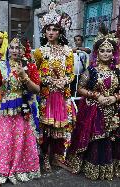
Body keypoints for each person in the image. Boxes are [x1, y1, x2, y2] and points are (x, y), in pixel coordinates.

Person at [66, 26, 120, 180]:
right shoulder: (91, 70)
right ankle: (93, 168)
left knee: (114, 139)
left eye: (109, 51)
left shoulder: (118, 70)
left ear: (113, 53)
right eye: (102, 50)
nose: (105, 53)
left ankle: (113, 167)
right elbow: (80, 88)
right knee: (97, 140)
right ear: (97, 52)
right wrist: (97, 96)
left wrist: (116, 97)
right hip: (94, 111)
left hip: (114, 111)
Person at [0, 37, 41, 186]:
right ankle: (1, 170)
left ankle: (22, 167)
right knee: (6, 140)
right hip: (7, 109)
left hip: (24, 108)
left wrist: (25, 77)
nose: (15, 50)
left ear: (24, 50)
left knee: (22, 139)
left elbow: (37, 89)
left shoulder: (29, 66)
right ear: (8, 49)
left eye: (18, 48)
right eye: (12, 47)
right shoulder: (3, 66)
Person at [34, 0, 76, 171]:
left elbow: (70, 73)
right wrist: (47, 80)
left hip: (62, 94)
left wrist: (65, 81)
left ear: (60, 31)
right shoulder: (39, 52)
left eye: (55, 29)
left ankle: (58, 157)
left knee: (61, 127)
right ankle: (45, 158)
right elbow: (34, 74)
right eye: (48, 29)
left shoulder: (68, 51)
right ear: (44, 32)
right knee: (46, 128)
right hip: (46, 95)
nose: (51, 32)